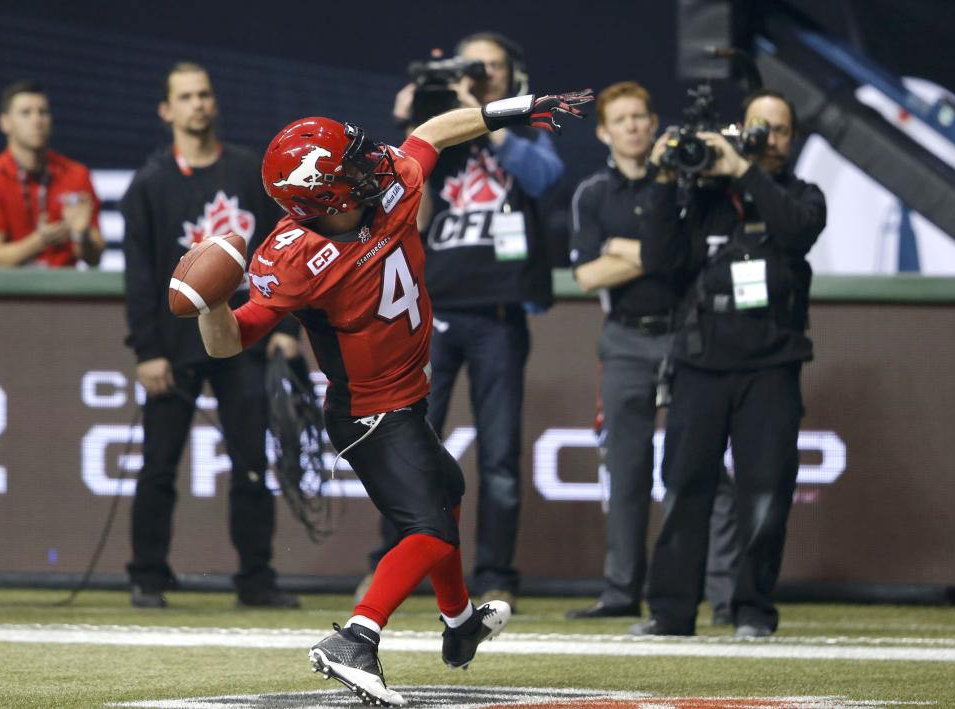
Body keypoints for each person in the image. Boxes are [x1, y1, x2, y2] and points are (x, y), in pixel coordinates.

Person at [195, 89, 591, 705]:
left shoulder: (392, 189)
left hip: (405, 399)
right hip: (367, 411)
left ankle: (459, 623)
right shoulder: (294, 258)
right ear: (322, 195)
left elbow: (432, 131)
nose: (370, 165)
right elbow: (230, 342)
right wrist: (210, 304)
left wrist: (510, 109)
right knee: (430, 527)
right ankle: (357, 636)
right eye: (352, 166)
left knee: (448, 494)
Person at [360, 32, 565, 612]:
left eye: (492, 67)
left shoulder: (526, 126)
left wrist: (482, 117)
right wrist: (417, 122)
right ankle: (391, 564)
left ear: (512, 74)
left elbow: (545, 180)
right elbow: (396, 205)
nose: (481, 76)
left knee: (499, 453)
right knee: (407, 445)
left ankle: (497, 573)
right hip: (433, 311)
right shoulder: (435, 133)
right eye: (472, 68)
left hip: (499, 312)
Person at [631, 90, 826, 638]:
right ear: (740, 128)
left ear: (791, 139)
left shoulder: (802, 194)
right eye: (759, 126)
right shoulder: (706, 198)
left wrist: (743, 169)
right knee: (685, 486)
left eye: (781, 129)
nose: (769, 136)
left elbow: (794, 230)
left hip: (771, 366)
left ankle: (752, 610)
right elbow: (658, 260)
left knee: (765, 491)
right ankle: (671, 612)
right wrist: (666, 181)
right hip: (699, 363)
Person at [122, 62, 300, 609]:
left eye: (204, 94)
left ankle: (256, 579)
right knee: (158, 466)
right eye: (185, 96)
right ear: (166, 110)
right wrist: (146, 351)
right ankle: (148, 577)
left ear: (214, 103)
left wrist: (283, 326)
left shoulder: (250, 172)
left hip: (242, 339)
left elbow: (284, 251)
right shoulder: (149, 185)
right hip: (172, 351)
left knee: (251, 463)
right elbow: (140, 276)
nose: (197, 104)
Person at [565, 82, 739, 622]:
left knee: (704, 468)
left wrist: (622, 249)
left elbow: (692, 261)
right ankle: (621, 592)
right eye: (622, 119)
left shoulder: (689, 184)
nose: (634, 126)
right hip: (624, 337)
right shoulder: (593, 193)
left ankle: (726, 595)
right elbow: (586, 274)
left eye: (641, 116)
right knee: (627, 470)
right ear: (604, 131)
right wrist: (657, 254)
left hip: (688, 334)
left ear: (655, 121)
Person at [0, 80, 105, 267]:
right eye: (26, 113)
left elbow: (94, 258)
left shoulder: (76, 174)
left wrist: (81, 235)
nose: (36, 120)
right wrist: (39, 241)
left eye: (43, 112)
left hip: (64, 291)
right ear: (5, 123)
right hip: (9, 294)